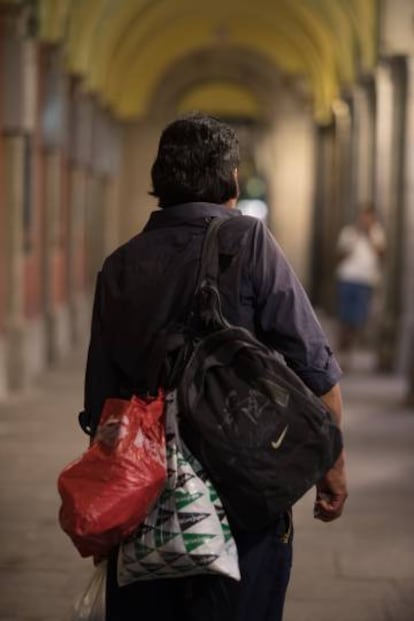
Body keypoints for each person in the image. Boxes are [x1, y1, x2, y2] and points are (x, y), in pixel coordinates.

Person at [81, 113, 348, 621]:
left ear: (159, 183)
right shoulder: (249, 241)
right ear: (231, 181)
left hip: (145, 500)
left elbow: (101, 407)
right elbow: (315, 367)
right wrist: (331, 467)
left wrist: (107, 510)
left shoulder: (118, 265)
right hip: (244, 490)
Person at [336, 205, 386, 368]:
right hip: (348, 278)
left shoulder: (377, 232)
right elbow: (341, 254)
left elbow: (381, 254)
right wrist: (355, 238)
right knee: (344, 317)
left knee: (358, 318)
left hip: (365, 281)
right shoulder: (349, 232)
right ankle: (343, 354)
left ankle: (350, 352)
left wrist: (370, 235)